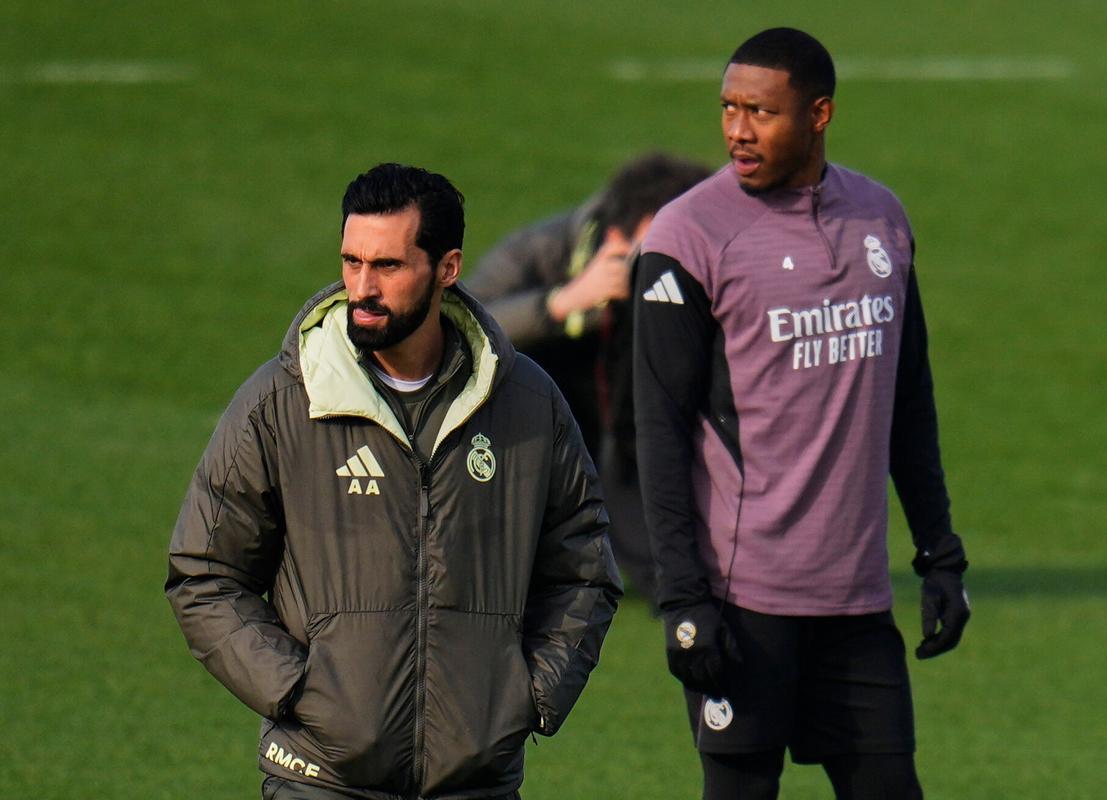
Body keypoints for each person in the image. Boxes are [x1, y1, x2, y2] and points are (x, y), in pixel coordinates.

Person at [166, 163, 622, 800]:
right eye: (351, 261)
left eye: (387, 266)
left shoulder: (525, 404)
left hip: (475, 783)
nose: (361, 287)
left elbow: (584, 567)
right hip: (322, 781)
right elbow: (204, 573)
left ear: (447, 268)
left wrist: (530, 694)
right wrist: (299, 692)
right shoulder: (280, 403)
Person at [633, 28, 970, 800]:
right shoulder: (689, 237)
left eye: (761, 112)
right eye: (728, 108)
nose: (736, 131)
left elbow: (908, 400)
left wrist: (940, 554)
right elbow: (657, 428)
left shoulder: (881, 220)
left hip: (856, 603)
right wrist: (682, 596)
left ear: (820, 115)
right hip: (742, 603)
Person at [468, 153, 710, 600]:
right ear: (618, 237)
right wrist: (562, 303)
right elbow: (460, 333)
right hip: (543, 408)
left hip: (639, 412)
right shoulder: (541, 250)